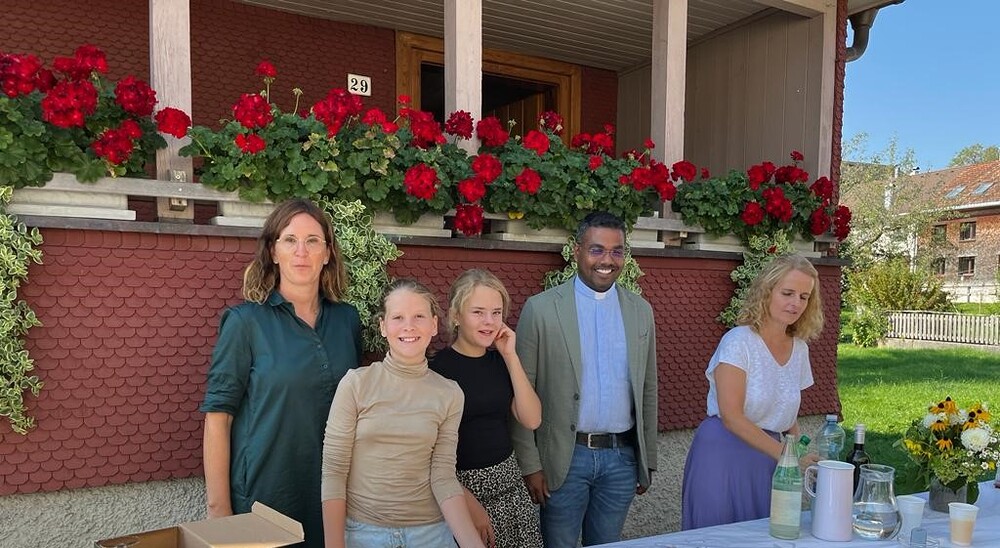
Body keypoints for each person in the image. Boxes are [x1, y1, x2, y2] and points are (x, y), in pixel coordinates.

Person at [201, 198, 362, 547]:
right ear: (273, 251)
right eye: (290, 240)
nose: (301, 252)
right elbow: (218, 418)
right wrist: (220, 511)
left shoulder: (347, 320)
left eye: (313, 241)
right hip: (264, 498)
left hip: (332, 498)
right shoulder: (245, 322)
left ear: (327, 253)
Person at [511, 211, 658, 547]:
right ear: (577, 251)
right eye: (596, 250)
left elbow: (648, 388)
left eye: (616, 251)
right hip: (564, 459)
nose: (607, 260)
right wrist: (530, 465)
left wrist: (647, 457)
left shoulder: (641, 311)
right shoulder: (541, 309)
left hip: (621, 459)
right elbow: (521, 390)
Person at [320, 279, 485, 548]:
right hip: (364, 533)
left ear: (434, 325)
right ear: (383, 327)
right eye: (398, 317)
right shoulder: (356, 384)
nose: (409, 326)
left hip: (430, 534)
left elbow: (443, 476)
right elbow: (334, 470)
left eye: (419, 316)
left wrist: (472, 543)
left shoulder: (449, 393)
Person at [681, 254, 823, 530]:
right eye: (787, 293)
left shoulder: (800, 349)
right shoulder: (738, 342)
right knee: (718, 539)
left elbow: (787, 412)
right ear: (767, 291)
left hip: (769, 459)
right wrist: (788, 456)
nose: (796, 303)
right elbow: (732, 416)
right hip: (722, 455)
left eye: (804, 297)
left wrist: (798, 452)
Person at [430, 269, 544, 548]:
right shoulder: (436, 370)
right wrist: (466, 501)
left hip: (510, 489)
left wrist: (510, 355)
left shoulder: (501, 362)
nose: (489, 321)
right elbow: (426, 451)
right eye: (478, 312)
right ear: (456, 315)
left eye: (496, 312)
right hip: (461, 492)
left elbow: (532, 419)